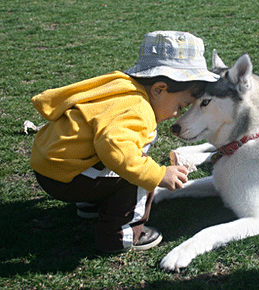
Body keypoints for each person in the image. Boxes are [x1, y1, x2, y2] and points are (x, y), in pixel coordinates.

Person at [30, 31, 219, 252]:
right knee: (139, 172)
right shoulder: (138, 109)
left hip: (50, 164)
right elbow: (115, 149)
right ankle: (121, 235)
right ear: (159, 90)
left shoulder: (122, 85)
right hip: (66, 177)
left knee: (124, 158)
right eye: (180, 106)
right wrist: (158, 174)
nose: (177, 114)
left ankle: (92, 202)